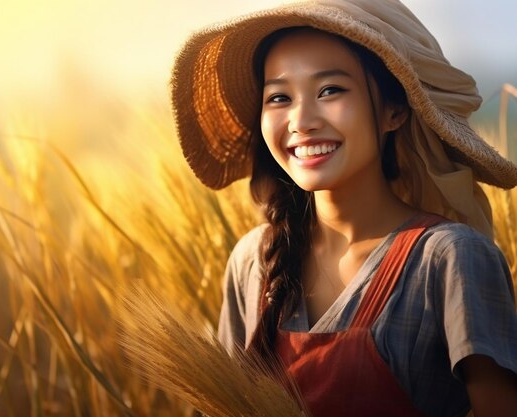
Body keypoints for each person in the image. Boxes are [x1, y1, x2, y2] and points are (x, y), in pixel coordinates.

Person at [170, 0, 517, 416]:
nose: (302, 120)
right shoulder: (252, 262)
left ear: (395, 109)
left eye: (330, 90)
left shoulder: (449, 259)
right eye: (279, 97)